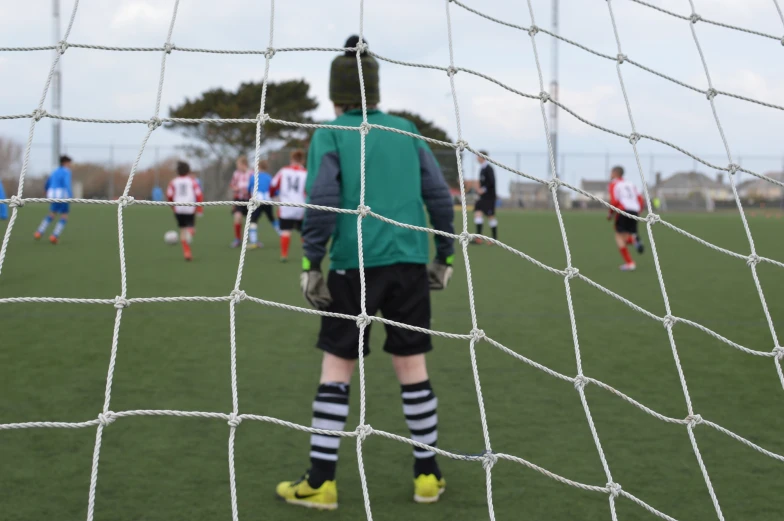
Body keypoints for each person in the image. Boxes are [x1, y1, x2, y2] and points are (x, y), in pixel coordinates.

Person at [275, 35, 456, 510]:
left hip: (354, 267)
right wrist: (446, 253)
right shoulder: (406, 129)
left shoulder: (331, 133)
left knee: (337, 367)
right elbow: (438, 194)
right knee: (412, 367)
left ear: (336, 95)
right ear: (376, 91)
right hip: (411, 266)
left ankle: (320, 483)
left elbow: (323, 201)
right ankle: (427, 476)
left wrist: (312, 261)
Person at [270, 149, 308, 262]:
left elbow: (273, 185)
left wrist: (273, 195)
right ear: (302, 160)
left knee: (286, 231)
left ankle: (284, 255)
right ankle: (307, 255)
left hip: (286, 207)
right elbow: (309, 189)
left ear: (291, 159)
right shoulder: (305, 172)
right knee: (304, 233)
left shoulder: (284, 171)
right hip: (301, 207)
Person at [608, 166, 645, 271]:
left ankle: (630, 263)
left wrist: (611, 214)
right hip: (635, 210)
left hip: (623, 210)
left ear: (615, 173)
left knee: (618, 237)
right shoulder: (630, 183)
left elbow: (614, 201)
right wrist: (639, 210)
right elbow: (640, 198)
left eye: (611, 172)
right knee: (624, 237)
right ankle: (634, 240)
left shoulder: (614, 184)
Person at [166, 161, 203, 261]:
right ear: (188, 171)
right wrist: (199, 209)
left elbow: (169, 195)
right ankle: (189, 233)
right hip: (190, 208)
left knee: (182, 230)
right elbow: (198, 194)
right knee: (191, 229)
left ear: (177, 171)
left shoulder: (173, 182)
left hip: (178, 208)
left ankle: (187, 252)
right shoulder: (192, 181)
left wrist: (172, 206)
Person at [34, 155, 73, 244]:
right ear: (65, 163)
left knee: (52, 213)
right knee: (64, 215)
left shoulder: (55, 171)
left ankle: (39, 232)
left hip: (52, 194)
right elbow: (67, 183)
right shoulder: (66, 171)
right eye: (69, 163)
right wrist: (70, 195)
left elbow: (48, 181)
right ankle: (54, 235)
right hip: (62, 195)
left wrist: (46, 189)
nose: (70, 165)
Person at [246, 159, 274, 249]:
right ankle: (283, 235)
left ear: (258, 166)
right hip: (268, 201)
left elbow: (249, 188)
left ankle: (254, 242)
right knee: (272, 219)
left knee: (253, 220)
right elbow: (274, 190)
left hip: (257, 202)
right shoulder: (269, 177)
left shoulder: (253, 176)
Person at [473, 151, 497, 243]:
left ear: (482, 157)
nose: (476, 158)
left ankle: (494, 238)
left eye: (478, 156)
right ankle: (478, 238)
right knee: (477, 212)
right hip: (483, 197)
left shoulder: (489, 169)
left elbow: (491, 183)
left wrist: (482, 190)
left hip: (489, 197)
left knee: (491, 216)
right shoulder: (482, 169)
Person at [230, 156, 253, 248]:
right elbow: (232, 184)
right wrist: (237, 188)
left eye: (238, 164)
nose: (237, 166)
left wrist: (248, 190)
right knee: (237, 217)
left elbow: (254, 185)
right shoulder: (236, 173)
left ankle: (253, 239)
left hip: (249, 200)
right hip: (239, 199)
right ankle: (237, 239)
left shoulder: (251, 173)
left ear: (244, 164)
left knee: (251, 220)